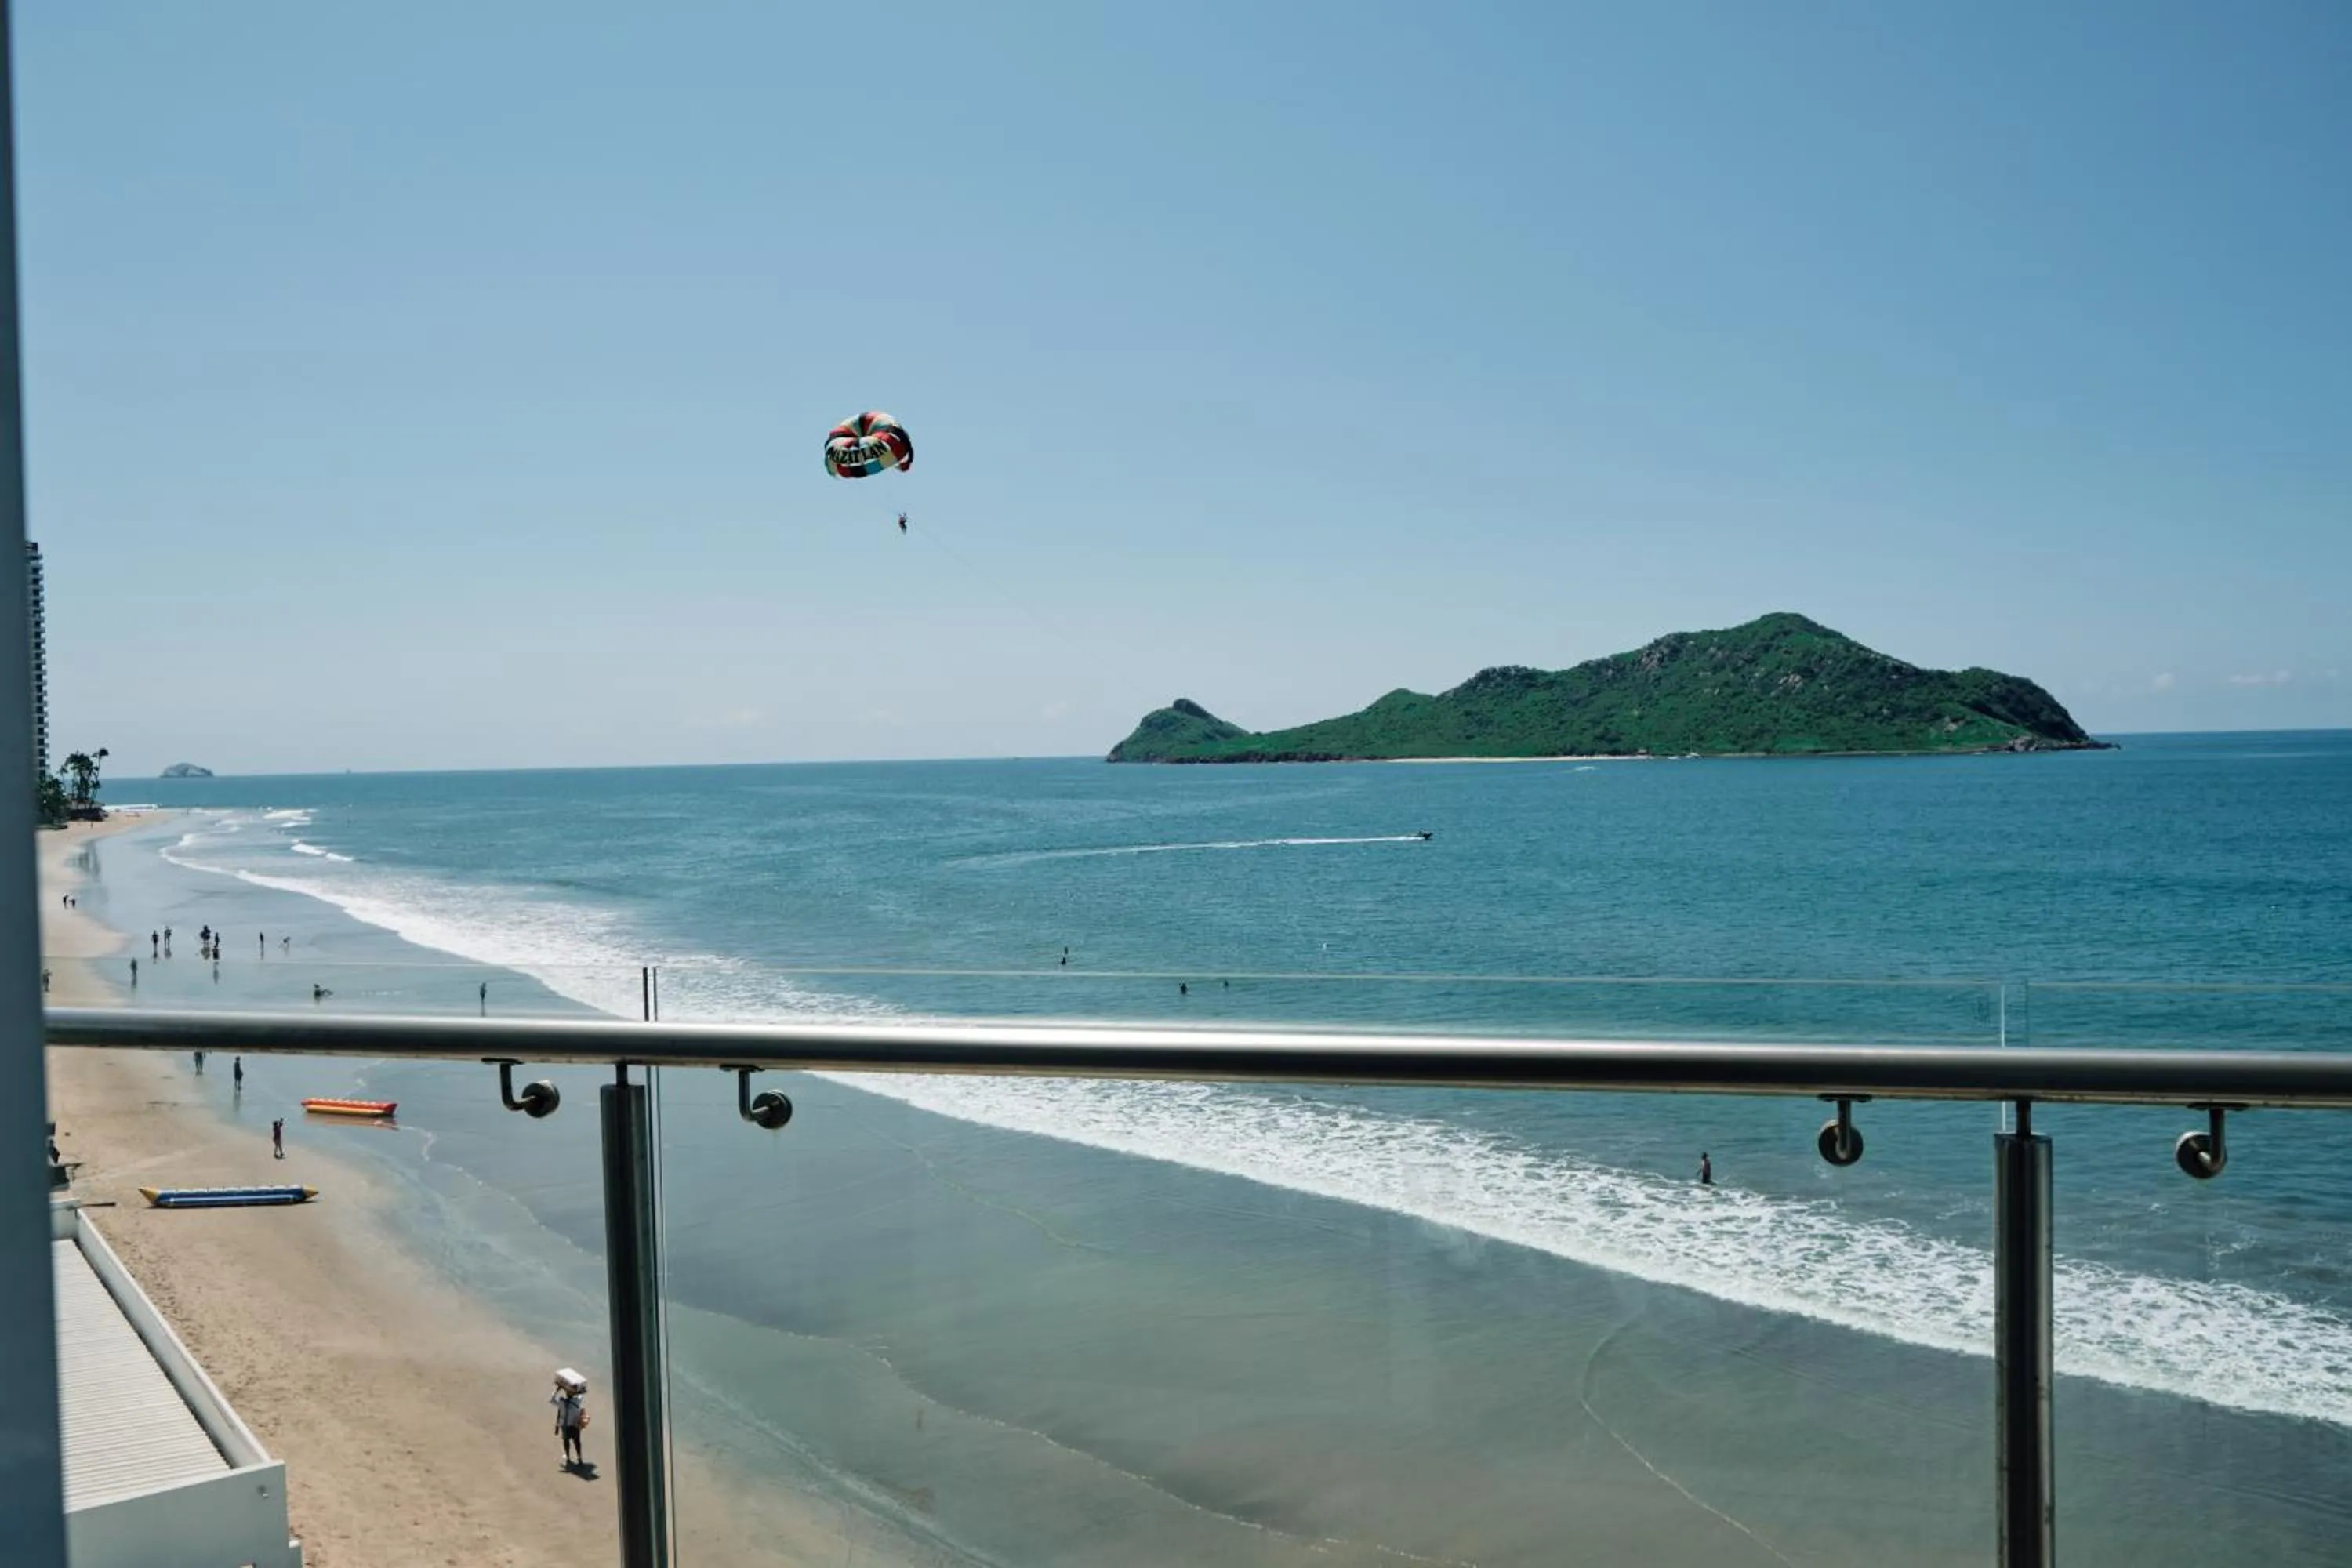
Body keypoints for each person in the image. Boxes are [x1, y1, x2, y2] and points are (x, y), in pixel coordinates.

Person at [553, 1383, 587, 1468]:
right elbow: (582, 1393)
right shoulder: (577, 1401)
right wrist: (579, 1388)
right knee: (577, 1442)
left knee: (566, 1441)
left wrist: (558, 1389)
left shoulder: (561, 1402)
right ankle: (579, 1458)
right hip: (575, 1425)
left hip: (566, 1426)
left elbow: (552, 1399)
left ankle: (568, 1457)